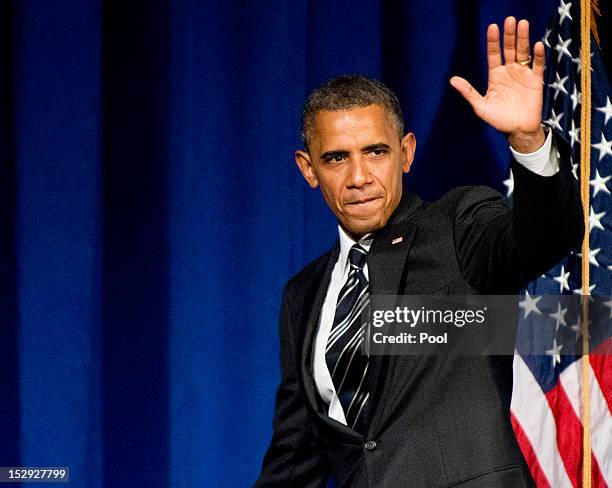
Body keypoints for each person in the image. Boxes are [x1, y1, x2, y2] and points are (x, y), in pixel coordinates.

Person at [255, 17, 583, 488]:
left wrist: (527, 141)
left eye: (375, 152)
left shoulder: (458, 228)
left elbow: (545, 239)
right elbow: (295, 457)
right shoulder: (302, 296)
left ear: (405, 153)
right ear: (309, 169)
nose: (359, 177)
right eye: (336, 158)